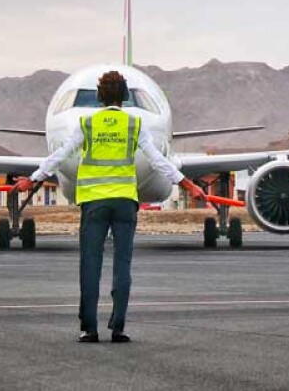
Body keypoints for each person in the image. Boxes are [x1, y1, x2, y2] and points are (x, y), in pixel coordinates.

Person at [12, 70, 206, 342]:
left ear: (100, 95)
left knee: (90, 265)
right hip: (125, 202)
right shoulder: (133, 125)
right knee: (122, 266)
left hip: (94, 202)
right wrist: (188, 184)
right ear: (125, 96)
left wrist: (32, 179)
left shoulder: (88, 124)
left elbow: (61, 154)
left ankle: (89, 329)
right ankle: (118, 328)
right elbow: (159, 161)